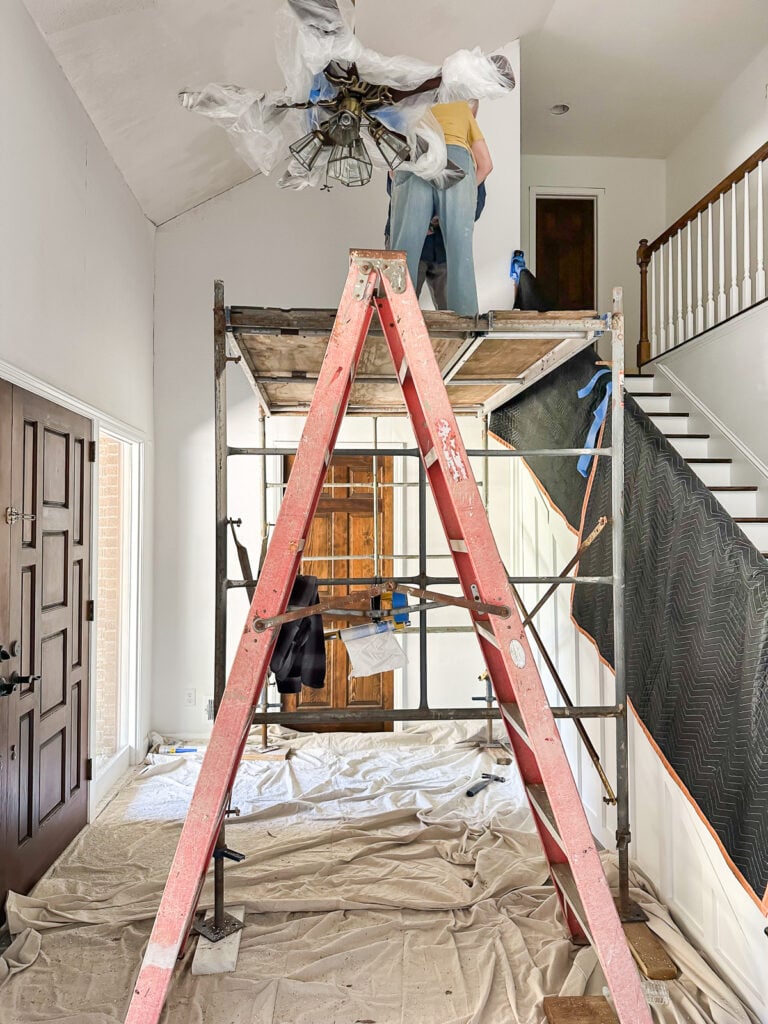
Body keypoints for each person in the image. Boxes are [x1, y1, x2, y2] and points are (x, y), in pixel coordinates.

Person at [389, 99, 492, 316]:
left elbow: (393, 169)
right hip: (455, 156)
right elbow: (486, 164)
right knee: (459, 251)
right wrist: (463, 194)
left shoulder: (417, 106)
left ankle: (393, 316)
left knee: (402, 252)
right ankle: (465, 322)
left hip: (416, 153)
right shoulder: (464, 111)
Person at [385, 178, 486, 310]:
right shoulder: (409, 161)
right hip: (408, 245)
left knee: (453, 313)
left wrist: (439, 219)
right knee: (399, 308)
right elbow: (396, 190)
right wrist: (421, 220)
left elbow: (473, 208)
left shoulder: (464, 167)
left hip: (446, 250)